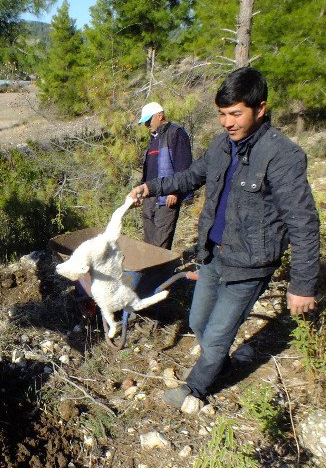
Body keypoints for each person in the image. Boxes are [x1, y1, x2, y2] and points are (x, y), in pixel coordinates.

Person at [128, 67, 319, 410]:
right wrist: (151, 187)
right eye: (221, 114)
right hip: (214, 255)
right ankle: (220, 364)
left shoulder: (282, 156)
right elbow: (190, 176)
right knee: (198, 321)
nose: (227, 122)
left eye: (235, 113)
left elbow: (303, 222)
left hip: (250, 263)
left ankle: (195, 388)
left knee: (217, 335)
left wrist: (303, 285)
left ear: (260, 109)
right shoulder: (222, 146)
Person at [137, 102, 193, 250]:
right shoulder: (154, 138)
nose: (146, 125)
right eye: (145, 122)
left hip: (167, 196)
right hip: (150, 196)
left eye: (149, 120)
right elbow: (149, 169)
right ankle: (149, 271)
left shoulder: (176, 133)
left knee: (161, 243)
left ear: (159, 115)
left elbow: (184, 166)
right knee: (148, 242)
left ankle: (161, 272)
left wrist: (175, 192)